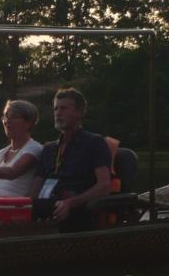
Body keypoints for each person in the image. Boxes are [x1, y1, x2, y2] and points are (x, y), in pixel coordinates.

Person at [27, 87, 111, 232]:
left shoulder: (94, 143)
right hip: (45, 205)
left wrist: (70, 203)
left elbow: (104, 186)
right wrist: (21, 205)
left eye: (64, 108)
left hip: (77, 207)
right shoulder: (49, 149)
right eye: (55, 109)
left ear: (80, 112)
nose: (58, 113)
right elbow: (35, 188)